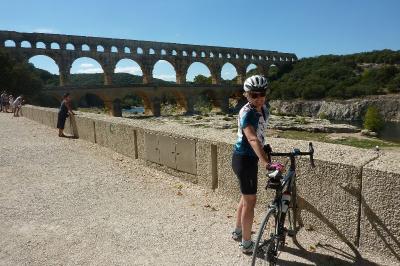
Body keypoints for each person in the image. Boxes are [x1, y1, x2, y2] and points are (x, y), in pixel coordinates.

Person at [231, 75, 283, 254]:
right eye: (254, 95)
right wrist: (267, 164)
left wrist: (263, 147)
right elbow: (252, 138)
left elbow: (259, 136)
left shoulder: (263, 109)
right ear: (246, 94)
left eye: (262, 93)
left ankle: (238, 231)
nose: (259, 97)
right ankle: (246, 244)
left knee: (245, 198)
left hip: (247, 158)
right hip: (244, 160)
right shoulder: (247, 113)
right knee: (250, 201)